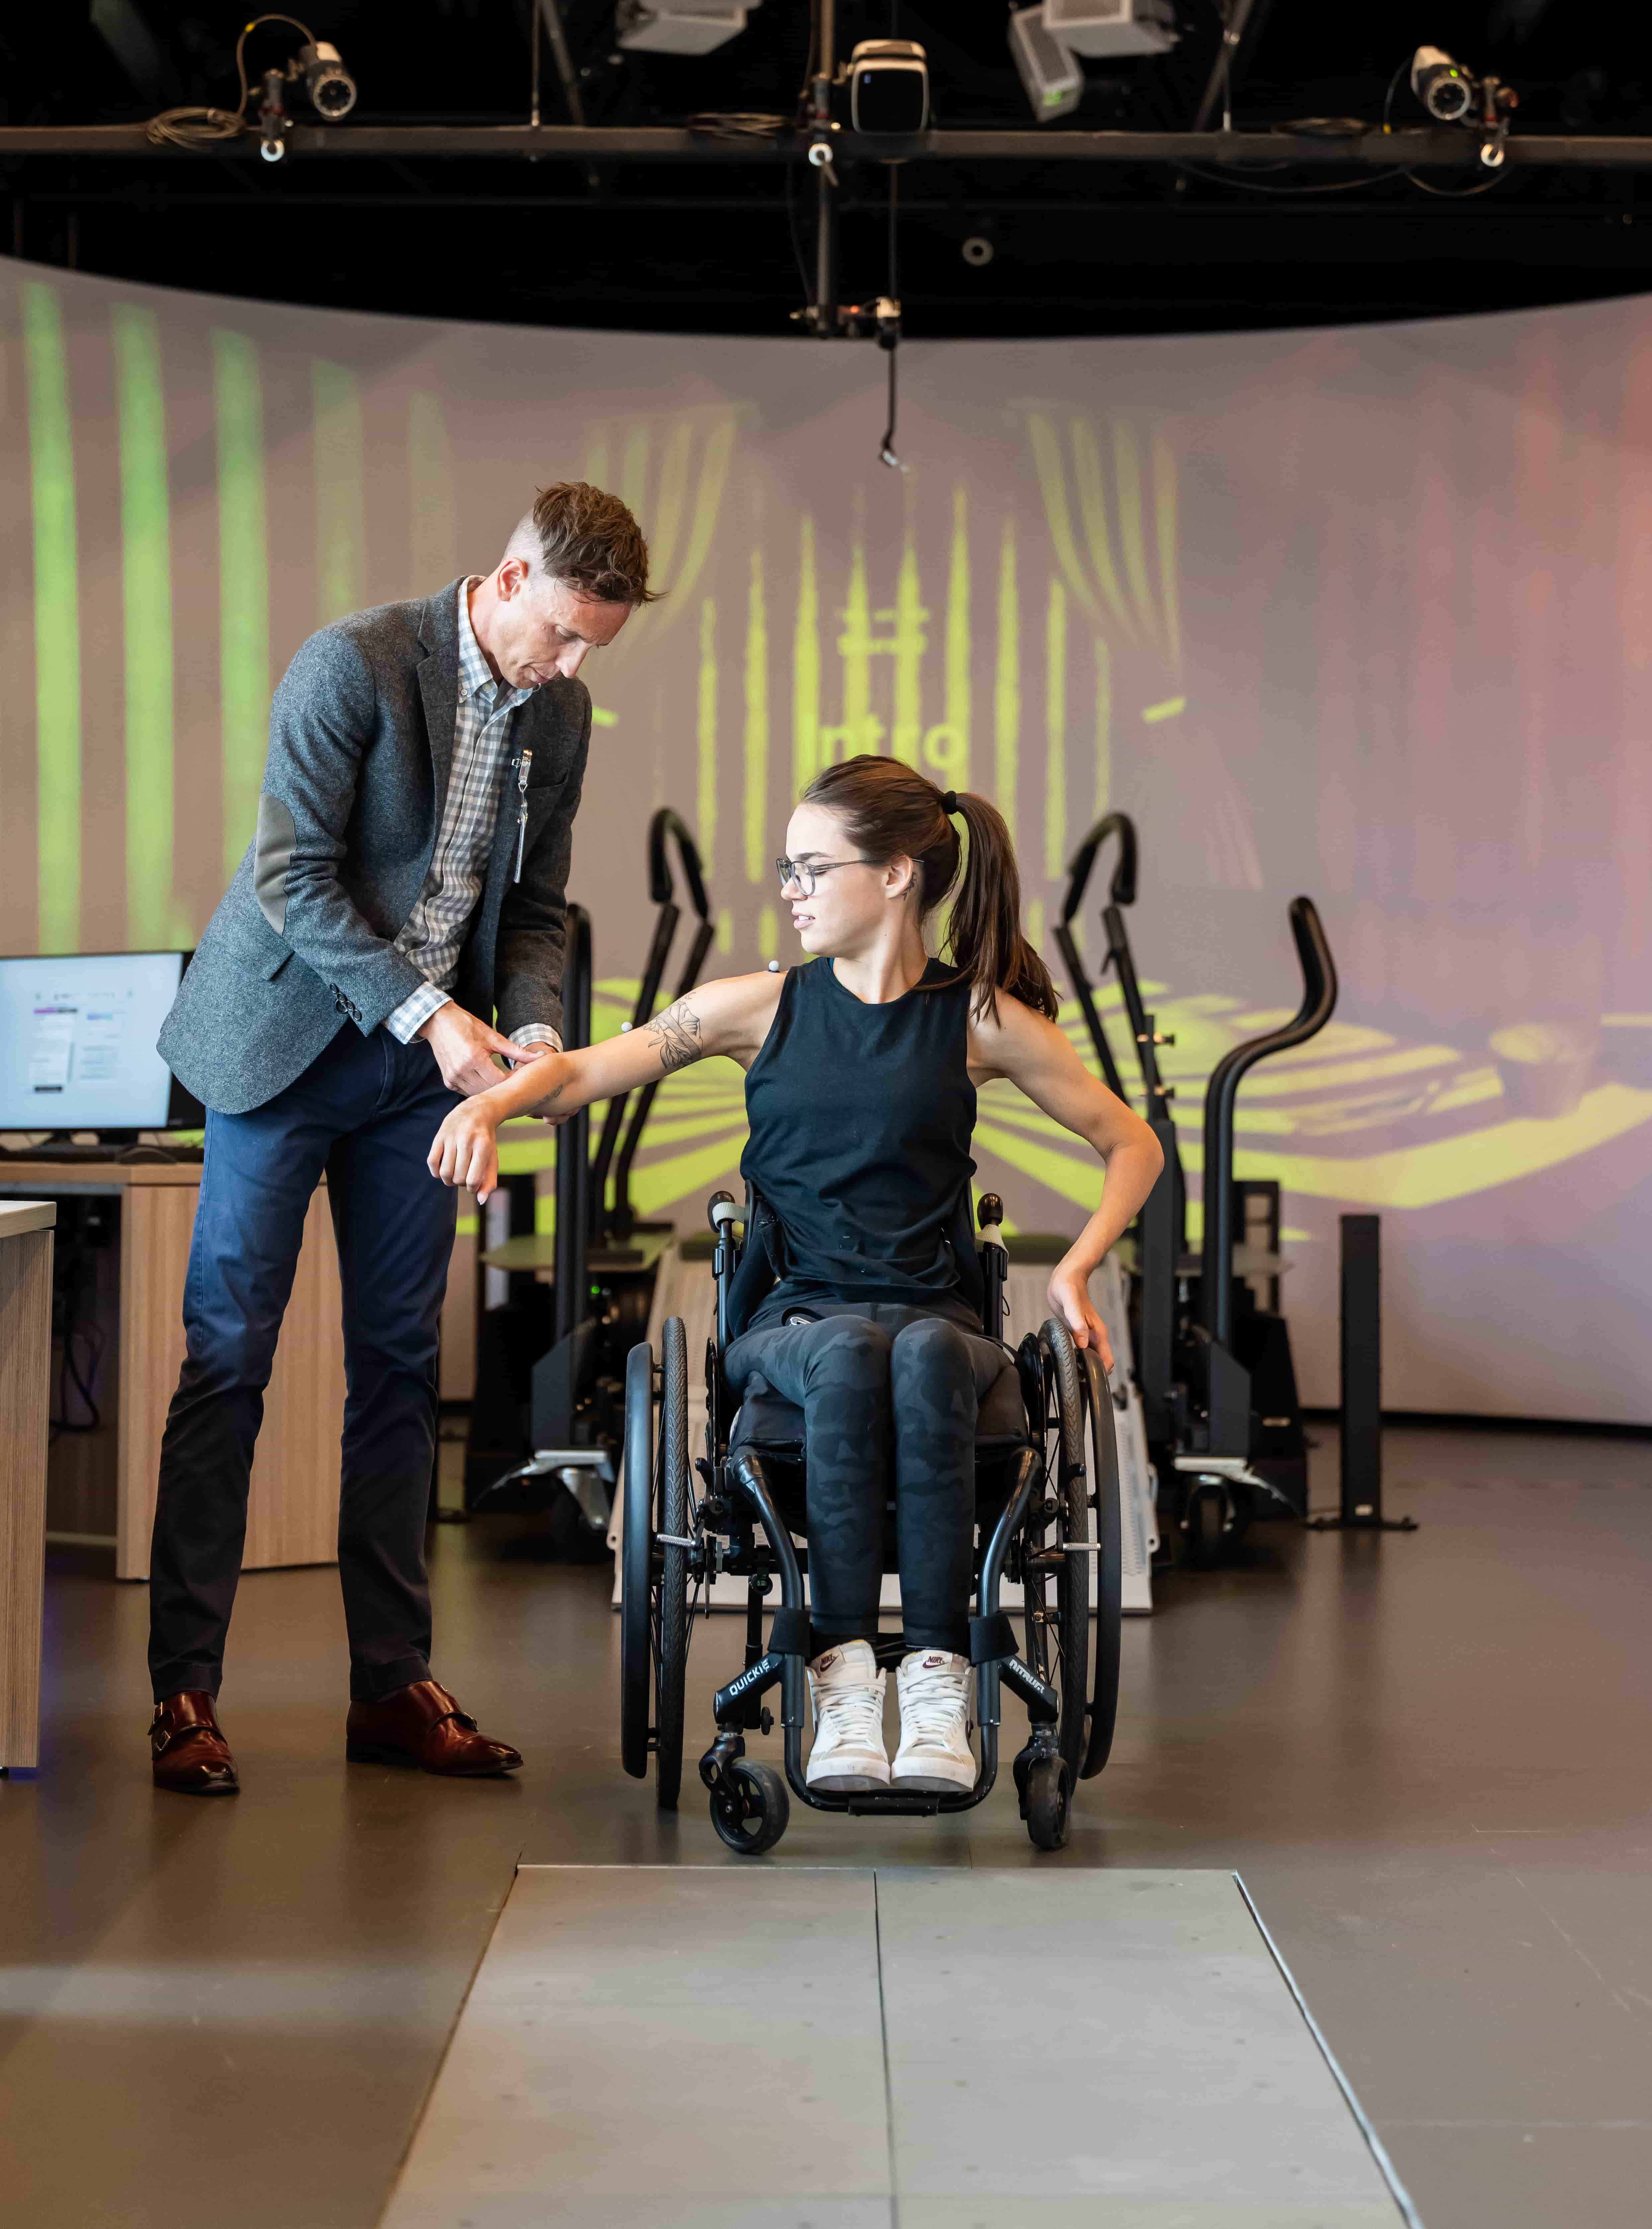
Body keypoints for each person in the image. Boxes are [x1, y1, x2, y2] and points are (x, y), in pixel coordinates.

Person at [427, 755, 1163, 1799]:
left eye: (814, 866)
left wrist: (1076, 1272)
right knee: (857, 1344)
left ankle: (943, 1681)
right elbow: (588, 1070)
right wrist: (491, 1104)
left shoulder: (980, 1019)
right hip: (794, 1321)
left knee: (916, 1346)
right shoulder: (758, 1006)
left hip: (937, 1318)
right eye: (787, 868)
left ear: (899, 874)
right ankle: (848, 1675)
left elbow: (1131, 1142)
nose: (791, 889)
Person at [146, 482, 655, 1796]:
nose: (573, 664)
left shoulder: (563, 714)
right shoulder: (356, 662)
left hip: (420, 1078)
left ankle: (391, 1688)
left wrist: (535, 1034)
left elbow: (536, 907)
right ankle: (184, 1692)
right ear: (505, 578)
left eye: (596, 643)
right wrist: (434, 1019)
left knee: (397, 1371)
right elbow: (292, 878)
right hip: (281, 1054)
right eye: (562, 632)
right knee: (229, 1359)